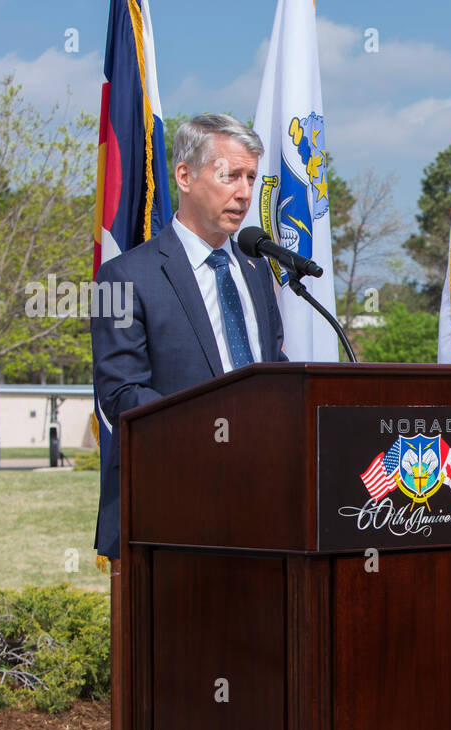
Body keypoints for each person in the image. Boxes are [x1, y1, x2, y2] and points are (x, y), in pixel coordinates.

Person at [91, 113, 291, 558]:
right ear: (184, 175)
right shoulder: (122, 276)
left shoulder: (258, 272)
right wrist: (218, 435)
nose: (243, 192)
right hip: (168, 510)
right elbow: (122, 393)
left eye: (251, 178)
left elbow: (273, 371)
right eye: (230, 176)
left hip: (262, 506)